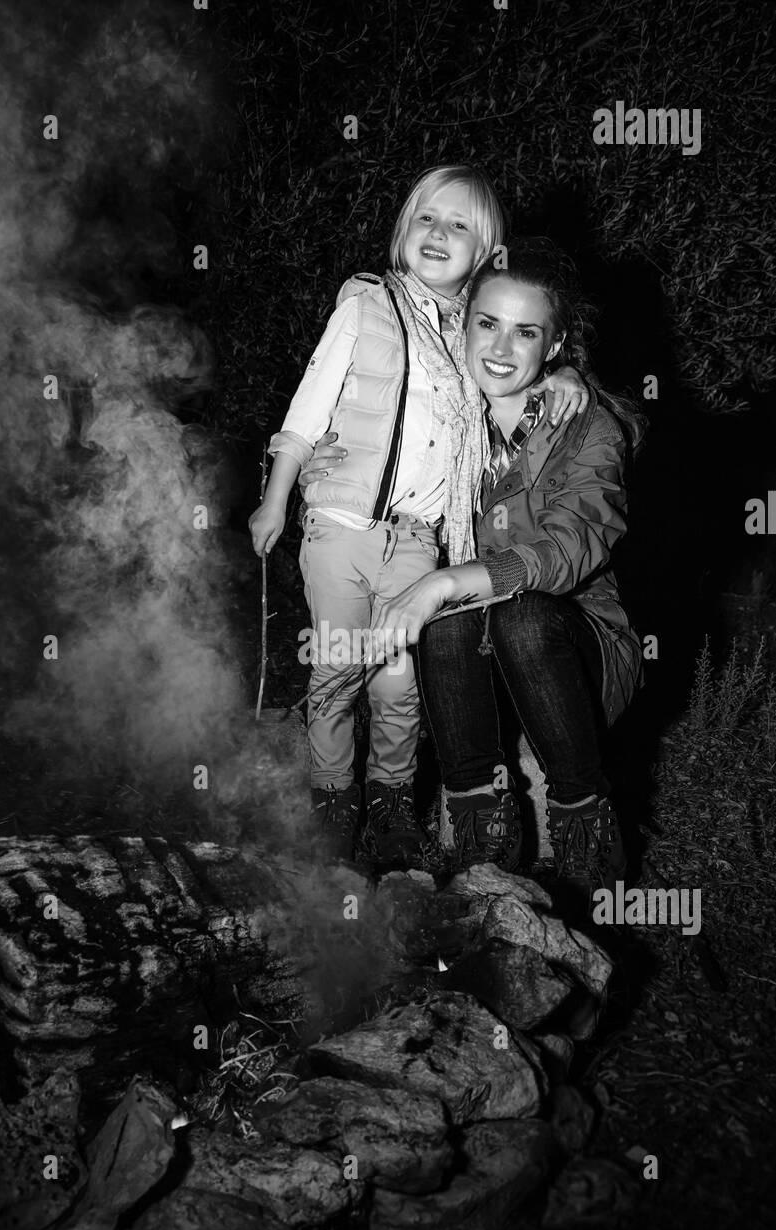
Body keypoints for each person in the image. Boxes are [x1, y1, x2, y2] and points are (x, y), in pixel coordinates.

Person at [249, 168, 588, 863]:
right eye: (427, 219)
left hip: (418, 539)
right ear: (404, 229)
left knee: (398, 675)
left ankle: (392, 805)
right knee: (338, 670)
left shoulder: (471, 333)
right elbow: (307, 411)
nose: (439, 234)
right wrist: (274, 499)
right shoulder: (366, 307)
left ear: (486, 248)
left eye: (460, 225)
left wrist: (563, 372)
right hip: (340, 527)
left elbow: (511, 374)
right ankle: (332, 798)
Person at [368, 237, 643, 906]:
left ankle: (583, 831)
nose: (499, 346)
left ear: (553, 347)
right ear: (463, 325)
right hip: (469, 657)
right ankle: (480, 839)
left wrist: (440, 581)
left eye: (526, 333)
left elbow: (571, 547)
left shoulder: (588, 429)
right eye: (487, 323)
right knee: (449, 626)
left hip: (574, 653)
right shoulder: (443, 415)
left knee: (513, 613)